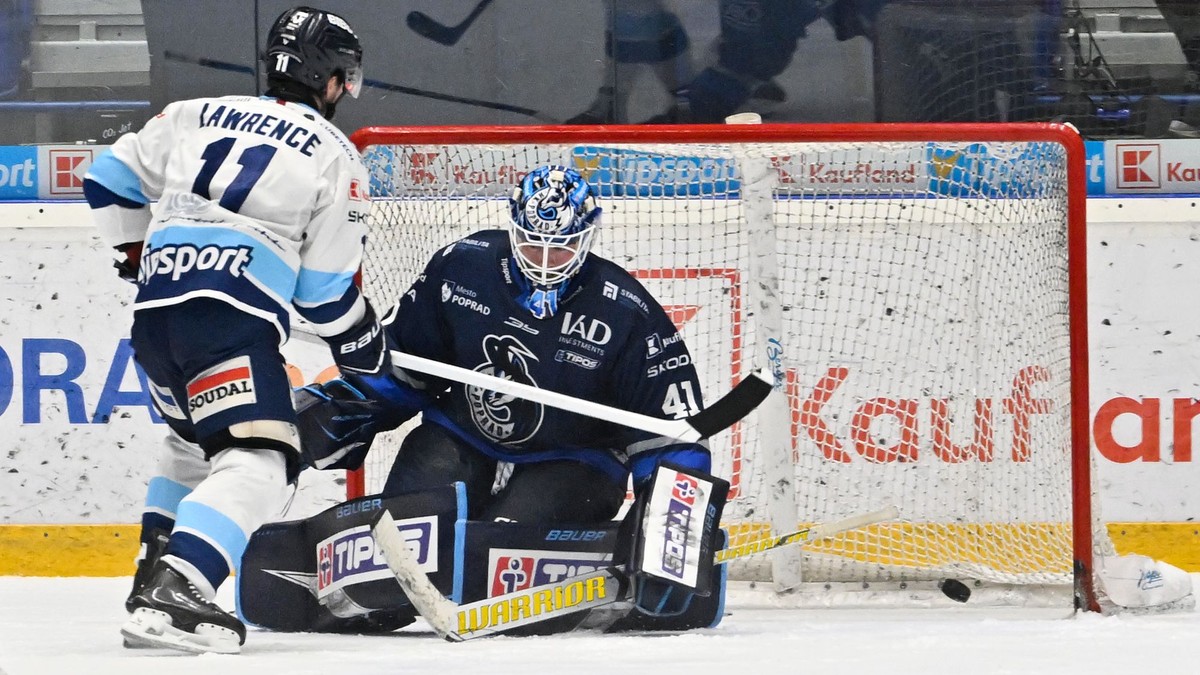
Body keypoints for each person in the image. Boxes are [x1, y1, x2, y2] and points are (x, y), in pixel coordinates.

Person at [81, 6, 388, 654]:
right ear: (333, 79)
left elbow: (106, 180)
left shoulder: (195, 113)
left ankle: (152, 579)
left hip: (156, 318)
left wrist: (136, 253)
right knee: (264, 460)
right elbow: (322, 295)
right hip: (228, 322)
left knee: (192, 442)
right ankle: (181, 584)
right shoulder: (334, 155)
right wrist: (364, 343)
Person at [308, 165, 722, 625]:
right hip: (460, 437)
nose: (544, 261)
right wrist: (345, 406)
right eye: (531, 243)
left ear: (587, 237)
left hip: (573, 461)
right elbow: (404, 365)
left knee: (501, 576)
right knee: (385, 589)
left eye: (561, 247)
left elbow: (671, 436)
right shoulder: (462, 267)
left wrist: (672, 535)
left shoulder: (626, 311)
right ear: (513, 228)